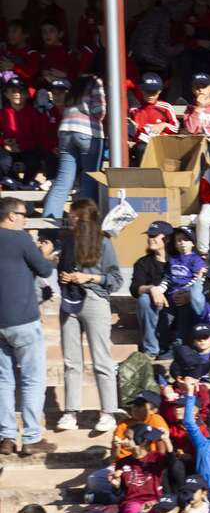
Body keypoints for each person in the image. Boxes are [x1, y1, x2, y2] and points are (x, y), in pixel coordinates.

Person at [56, 198, 122, 433]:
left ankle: (108, 411)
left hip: (95, 301)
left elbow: (115, 279)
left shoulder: (103, 242)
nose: (71, 220)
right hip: (68, 300)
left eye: (75, 216)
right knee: (71, 361)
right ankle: (70, 411)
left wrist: (89, 278)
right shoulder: (67, 242)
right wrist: (65, 278)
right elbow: (59, 270)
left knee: (101, 359)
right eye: (70, 217)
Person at [0, 198, 54, 454]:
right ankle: (32, 437)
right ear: (10, 216)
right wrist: (45, 255)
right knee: (33, 379)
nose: (24, 219)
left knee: (3, 380)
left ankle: (7, 437)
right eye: (22, 215)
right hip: (23, 319)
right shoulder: (20, 238)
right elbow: (44, 270)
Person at [42, 74, 105, 221]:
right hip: (88, 132)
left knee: (63, 180)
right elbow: (99, 110)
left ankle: (48, 224)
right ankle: (85, 221)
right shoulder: (96, 81)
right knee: (89, 178)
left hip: (65, 131)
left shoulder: (77, 82)